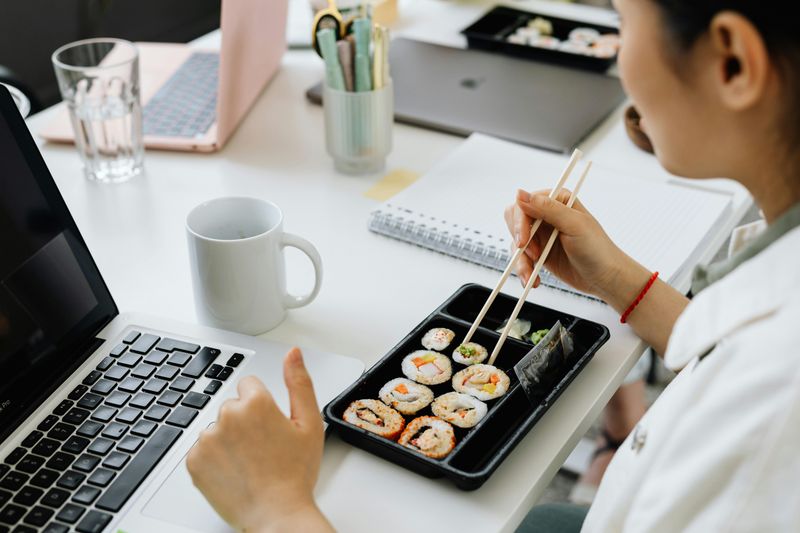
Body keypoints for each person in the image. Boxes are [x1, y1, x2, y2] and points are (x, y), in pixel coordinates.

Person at [186, 0, 800, 530]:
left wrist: (278, 511)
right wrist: (615, 280)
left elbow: (755, 378)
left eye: (624, 20)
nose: (619, 56)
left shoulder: (770, 403)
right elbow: (725, 340)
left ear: (732, 63)